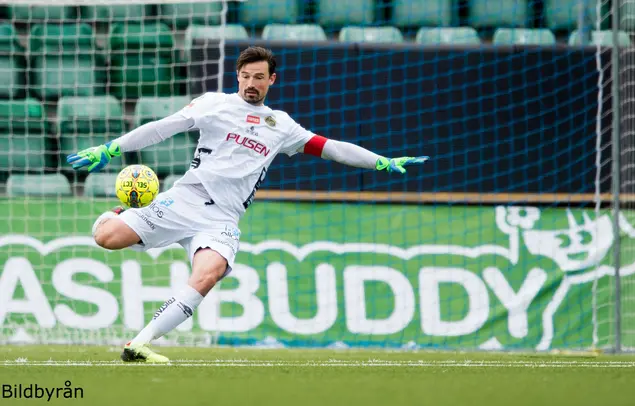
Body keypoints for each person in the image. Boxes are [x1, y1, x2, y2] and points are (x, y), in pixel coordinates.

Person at [66, 46, 428, 363]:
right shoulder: (214, 104)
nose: (250, 83)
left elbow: (330, 147)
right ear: (237, 77)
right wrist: (111, 148)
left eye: (258, 77)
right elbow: (163, 127)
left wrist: (379, 160)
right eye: (245, 76)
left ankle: (139, 344)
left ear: (272, 79)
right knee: (107, 238)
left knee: (207, 275)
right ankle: (118, 213)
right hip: (183, 200)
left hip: (221, 219)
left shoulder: (281, 125)